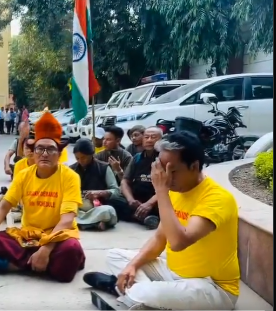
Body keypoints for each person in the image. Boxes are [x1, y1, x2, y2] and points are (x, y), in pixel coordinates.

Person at [83, 131, 240, 310]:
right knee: (115, 256)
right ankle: (135, 292)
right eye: (162, 169)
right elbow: (159, 238)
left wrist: (161, 192)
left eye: (172, 171)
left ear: (194, 166)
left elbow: (179, 242)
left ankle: (130, 291)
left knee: (145, 293)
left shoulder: (217, 198)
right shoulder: (175, 190)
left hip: (211, 286)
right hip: (172, 272)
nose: (165, 177)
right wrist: (132, 266)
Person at [0, 112, 85, 283]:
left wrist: (46, 249)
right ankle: (43, 265)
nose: (44, 154)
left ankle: (15, 266)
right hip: (29, 236)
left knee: (71, 250)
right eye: (40, 149)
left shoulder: (70, 177)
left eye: (50, 149)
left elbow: (66, 221)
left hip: (57, 237)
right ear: (33, 152)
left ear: (59, 153)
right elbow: (4, 205)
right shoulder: (23, 174)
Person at [70, 139, 120, 231]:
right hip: (77, 209)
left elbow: (116, 191)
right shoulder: (71, 169)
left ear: (91, 154)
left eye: (84, 157)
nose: (80, 161)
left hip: (97, 208)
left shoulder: (104, 168)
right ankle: (92, 223)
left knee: (109, 211)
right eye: (77, 158)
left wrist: (100, 193)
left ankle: (80, 224)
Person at [119, 126, 163, 229]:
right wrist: (130, 199)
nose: (149, 140)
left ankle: (143, 217)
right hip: (137, 199)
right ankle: (146, 218)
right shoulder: (137, 158)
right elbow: (125, 181)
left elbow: (169, 187)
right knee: (113, 200)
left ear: (161, 140)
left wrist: (149, 204)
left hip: (156, 198)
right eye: (146, 137)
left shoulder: (164, 158)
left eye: (153, 137)